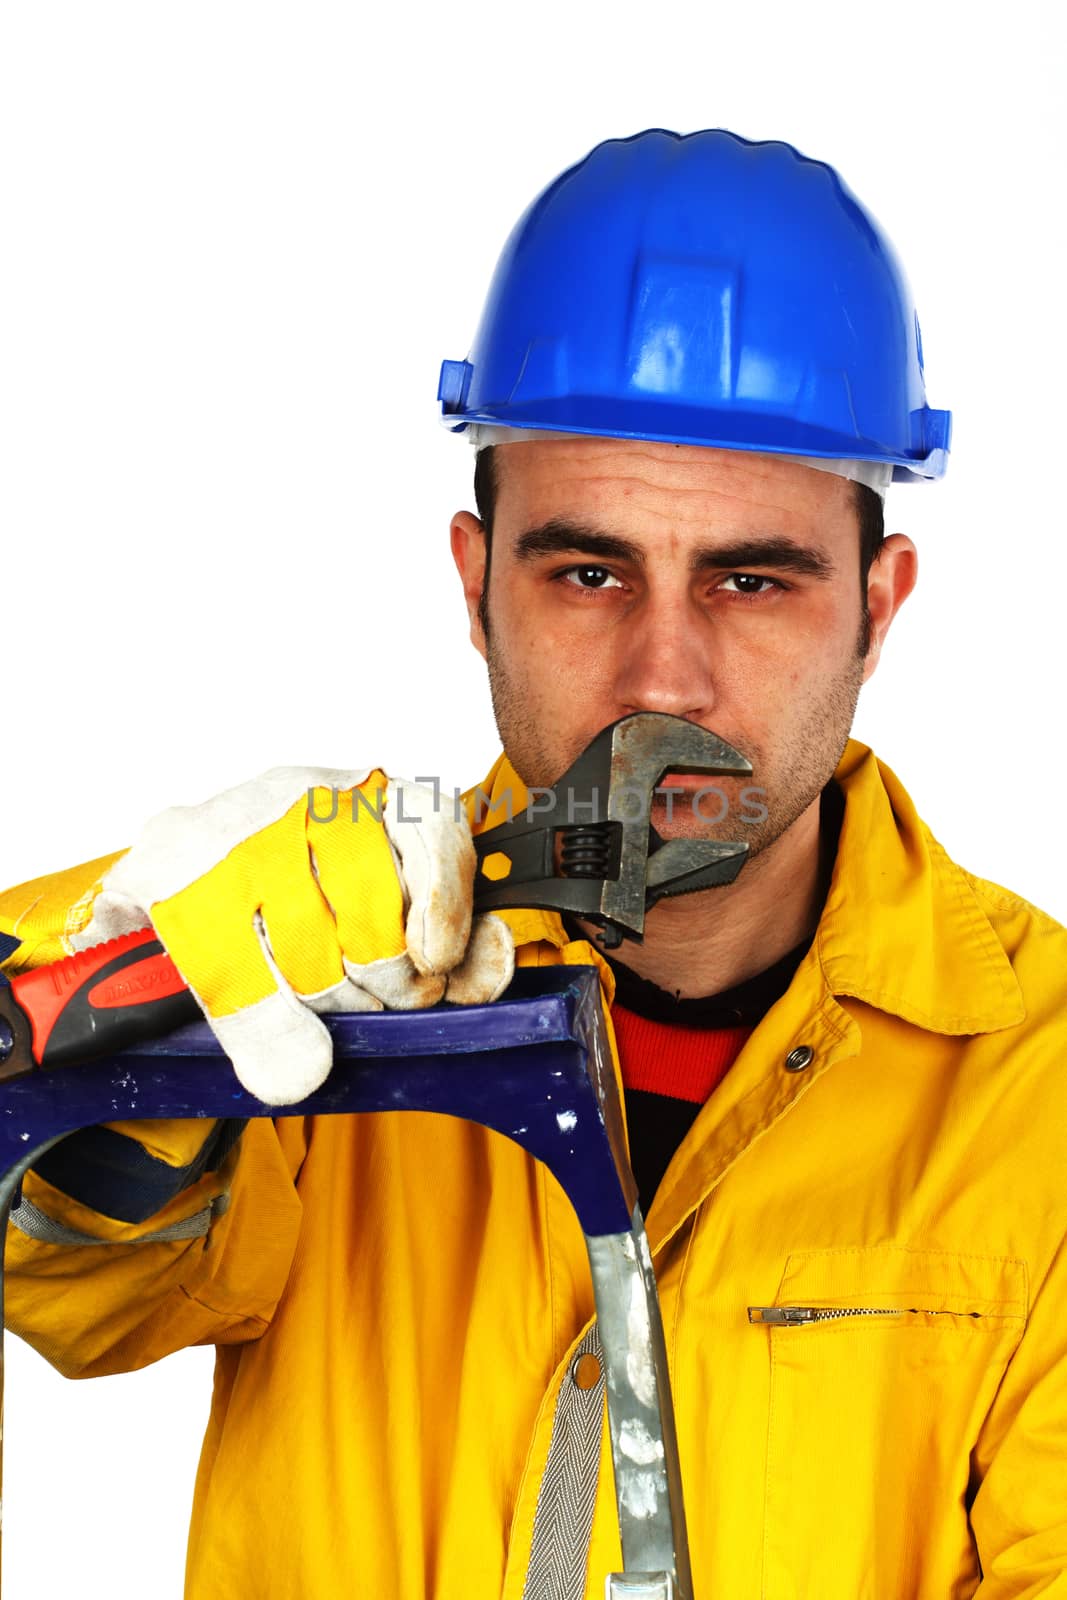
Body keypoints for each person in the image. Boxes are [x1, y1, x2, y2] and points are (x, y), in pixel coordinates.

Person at [1, 128, 1064, 1598]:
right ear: (475, 584)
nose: (663, 677)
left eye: (752, 581)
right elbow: (71, 1282)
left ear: (878, 613)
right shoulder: (303, 981)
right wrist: (132, 975)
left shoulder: (1043, 1095)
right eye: (587, 572)